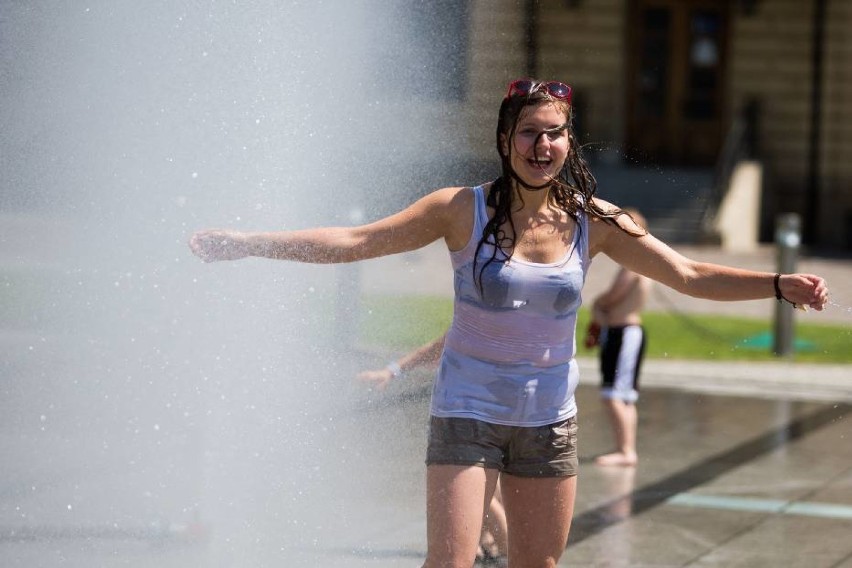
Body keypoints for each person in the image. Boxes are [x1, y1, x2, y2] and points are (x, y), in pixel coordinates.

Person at [189, 78, 829, 567]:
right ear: (505, 139)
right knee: (450, 561)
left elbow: (688, 275)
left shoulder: (595, 221)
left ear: (569, 142)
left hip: (547, 420)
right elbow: (355, 241)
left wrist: (776, 284)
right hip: (466, 408)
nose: (541, 145)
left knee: (538, 564)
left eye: (553, 133)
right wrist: (252, 242)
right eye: (528, 132)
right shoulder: (458, 211)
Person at [357, 335, 509, 567]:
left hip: (467, 420)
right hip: (485, 417)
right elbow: (440, 346)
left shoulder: (487, 319)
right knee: (487, 491)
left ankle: (502, 549)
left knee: (476, 496)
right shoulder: (489, 317)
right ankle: (485, 543)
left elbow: (440, 346)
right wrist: (393, 370)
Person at [585, 208, 651, 467]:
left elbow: (615, 295)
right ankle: (625, 447)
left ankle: (626, 451)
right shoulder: (635, 262)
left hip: (625, 333)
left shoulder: (635, 263)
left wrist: (598, 303)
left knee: (614, 394)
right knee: (623, 395)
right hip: (618, 332)